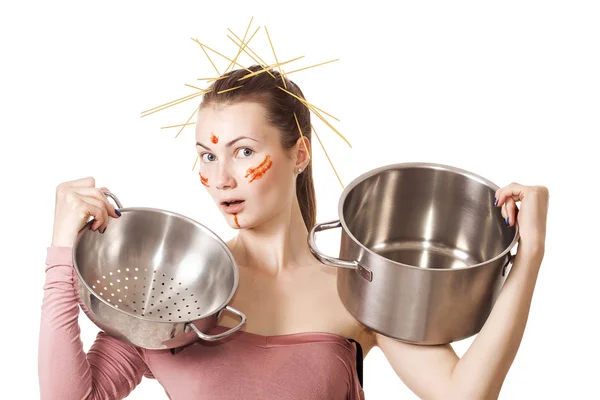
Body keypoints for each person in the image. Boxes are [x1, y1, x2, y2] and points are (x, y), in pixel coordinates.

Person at [39, 65, 549, 400]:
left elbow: (465, 395)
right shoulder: (167, 289)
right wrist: (62, 253)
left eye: (244, 152)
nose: (221, 179)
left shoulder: (357, 282)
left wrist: (527, 260)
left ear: (298, 154)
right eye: (207, 156)